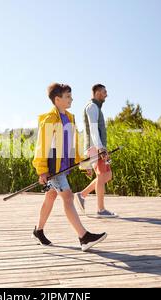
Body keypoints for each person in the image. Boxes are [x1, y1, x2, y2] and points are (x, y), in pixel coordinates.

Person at [32, 83, 107, 252]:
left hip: (64, 165)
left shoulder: (70, 118)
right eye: (67, 97)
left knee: (50, 197)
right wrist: (42, 170)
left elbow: (73, 145)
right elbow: (41, 147)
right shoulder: (49, 120)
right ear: (57, 100)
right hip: (53, 166)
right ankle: (83, 237)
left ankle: (38, 231)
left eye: (70, 96)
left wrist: (84, 164)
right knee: (68, 197)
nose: (71, 99)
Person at [75, 84, 118, 218]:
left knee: (108, 175)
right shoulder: (92, 107)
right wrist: (100, 147)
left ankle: (82, 195)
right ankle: (101, 210)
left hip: (97, 146)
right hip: (95, 147)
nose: (106, 94)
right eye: (105, 92)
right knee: (101, 175)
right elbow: (93, 129)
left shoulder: (96, 108)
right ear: (98, 92)